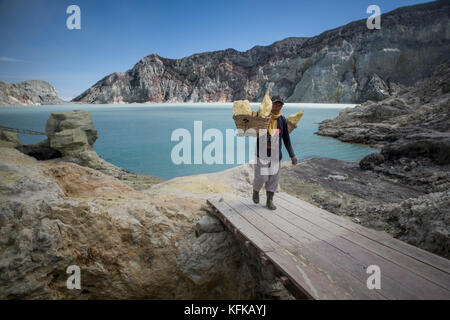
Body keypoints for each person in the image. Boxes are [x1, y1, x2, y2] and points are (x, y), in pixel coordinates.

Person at [252, 95, 297, 210]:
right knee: (262, 177)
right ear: (270, 104)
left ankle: (269, 200)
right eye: (275, 104)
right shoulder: (262, 117)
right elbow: (253, 131)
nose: (277, 106)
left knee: (273, 179)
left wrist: (292, 155)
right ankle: (256, 190)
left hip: (276, 155)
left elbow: (286, 139)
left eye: (280, 105)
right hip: (261, 153)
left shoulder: (282, 120)